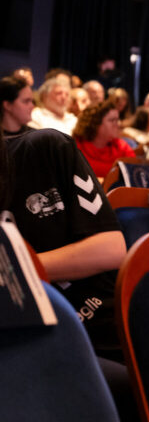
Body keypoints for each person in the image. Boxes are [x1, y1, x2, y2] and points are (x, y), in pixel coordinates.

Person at [1, 127, 127, 359]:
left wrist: (13, 269)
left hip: (103, 325)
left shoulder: (46, 148)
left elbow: (111, 249)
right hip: (32, 347)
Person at [72, 99, 136, 180]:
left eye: (117, 120)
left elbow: (135, 176)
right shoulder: (77, 147)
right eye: (112, 120)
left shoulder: (122, 147)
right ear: (95, 123)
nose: (117, 125)